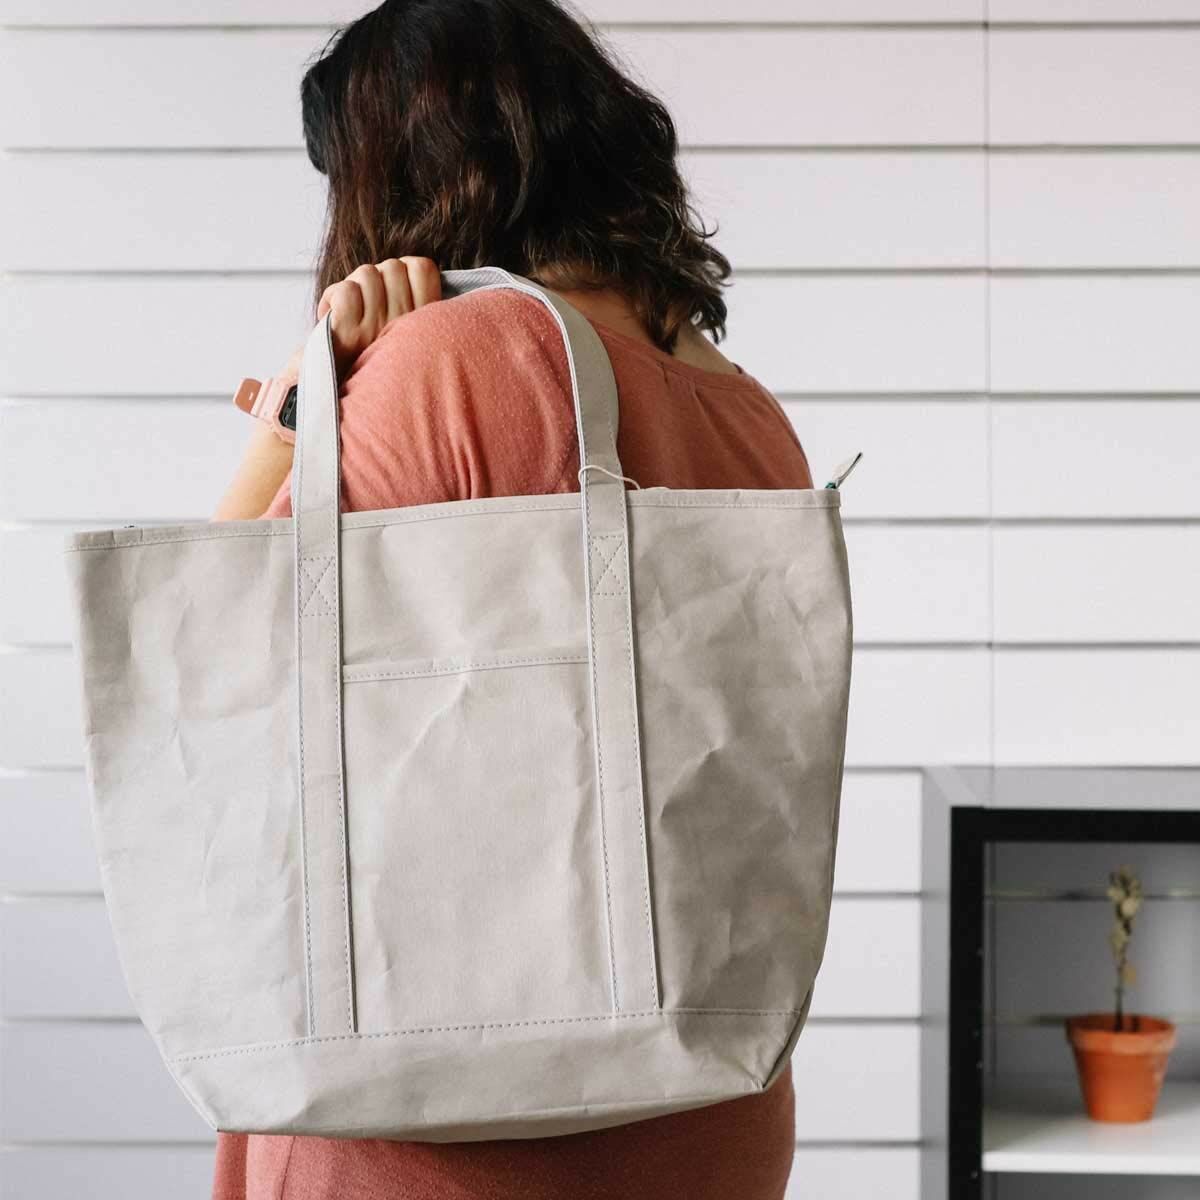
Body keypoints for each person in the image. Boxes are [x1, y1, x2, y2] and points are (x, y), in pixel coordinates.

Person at [212, 1, 812, 1196]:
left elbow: (215, 675)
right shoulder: (747, 408)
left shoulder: (451, 360)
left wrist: (297, 415)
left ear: (396, 169)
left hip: (451, 1118)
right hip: (711, 1101)